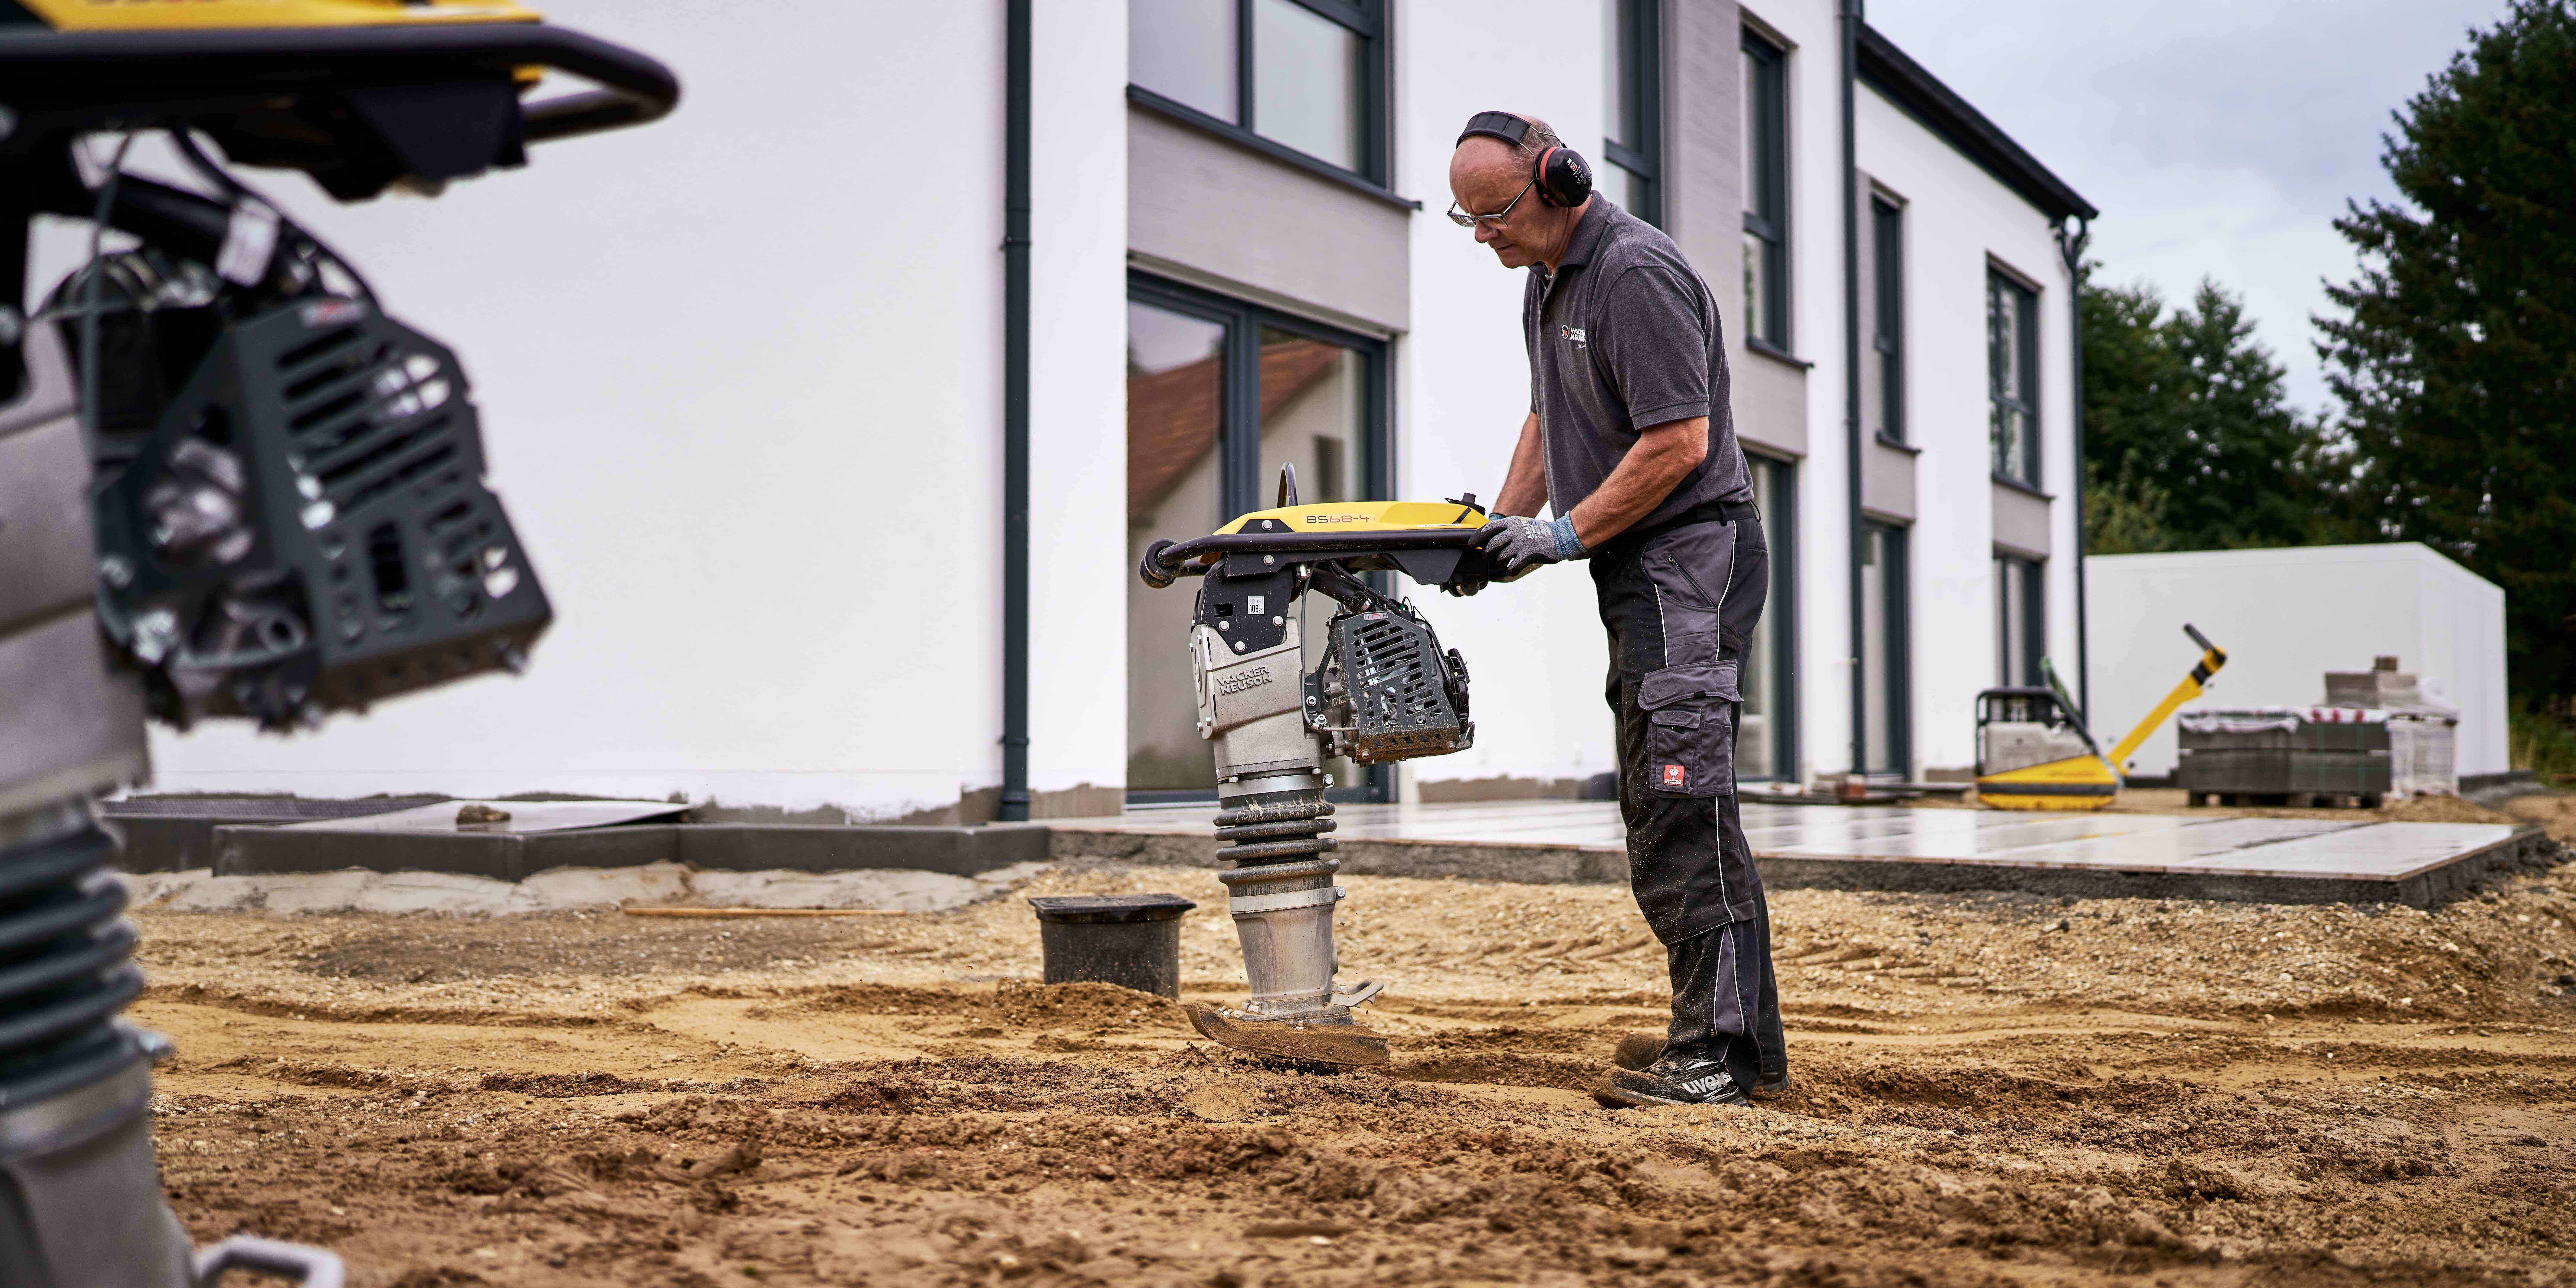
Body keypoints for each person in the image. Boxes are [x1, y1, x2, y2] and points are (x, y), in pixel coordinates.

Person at [1446, 110, 1787, 1108]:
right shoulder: (1549, 279)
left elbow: (1680, 442)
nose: (1485, 236)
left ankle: (1717, 1053)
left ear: (1559, 179)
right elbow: (1548, 415)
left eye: (1496, 214)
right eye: (1468, 221)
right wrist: (1496, 530)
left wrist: (1559, 537)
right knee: (1660, 794)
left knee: (1682, 794)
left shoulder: (1634, 275)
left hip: (1691, 558)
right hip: (1641, 567)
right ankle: (1740, 1046)